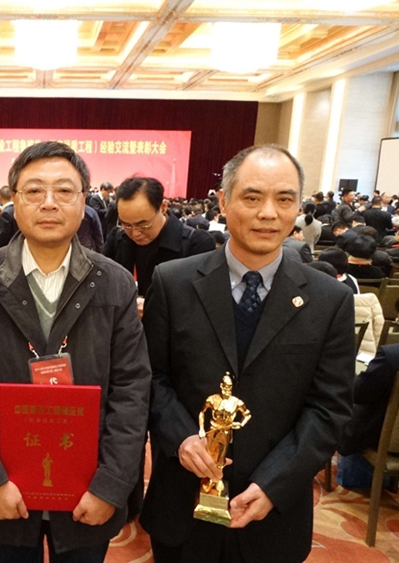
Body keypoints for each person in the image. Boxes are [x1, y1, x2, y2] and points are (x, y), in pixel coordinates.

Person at [140, 145, 354, 563]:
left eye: (284, 199)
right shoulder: (173, 282)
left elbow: (329, 408)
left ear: (299, 206)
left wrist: (275, 483)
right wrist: (180, 437)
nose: (268, 213)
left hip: (273, 510)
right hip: (183, 498)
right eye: (252, 197)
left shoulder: (330, 299)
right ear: (223, 201)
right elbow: (151, 378)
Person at [0, 141, 151, 562]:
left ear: (84, 200)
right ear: (14, 201)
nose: (49, 203)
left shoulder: (114, 283)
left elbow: (132, 388)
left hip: (88, 486)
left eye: (64, 191)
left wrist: (110, 484)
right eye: (35, 190)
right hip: (7, 485)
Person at [103, 177, 215, 297]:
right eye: (126, 225)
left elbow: (202, 299)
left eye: (143, 225)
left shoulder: (197, 243)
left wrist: (152, 305)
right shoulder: (118, 238)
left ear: (162, 207)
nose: (135, 233)